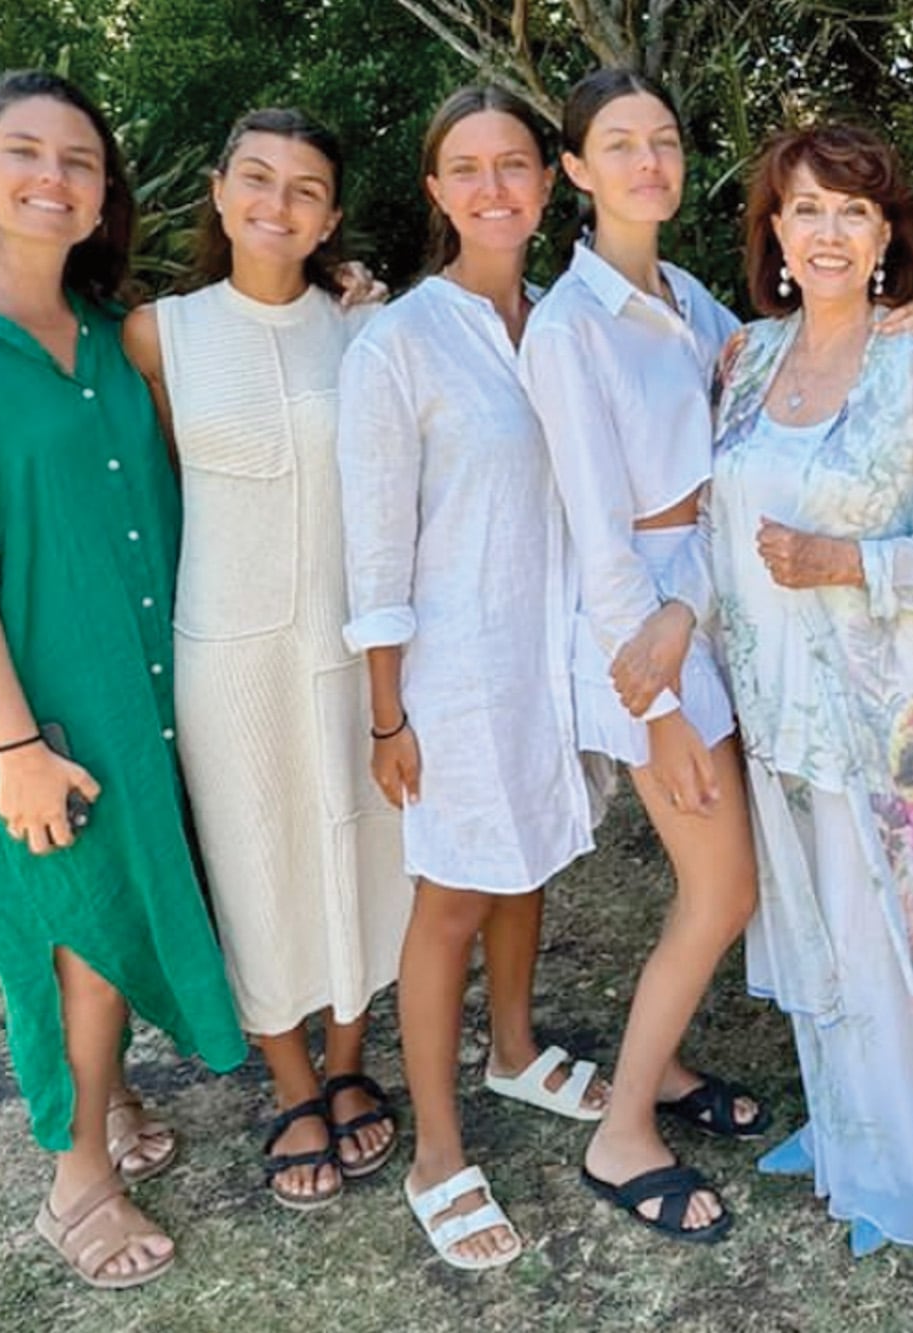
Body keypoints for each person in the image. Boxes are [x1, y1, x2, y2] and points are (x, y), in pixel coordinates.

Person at [0, 70, 247, 1289]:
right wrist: (16, 748)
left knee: (121, 902)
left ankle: (114, 1093)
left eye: (80, 161)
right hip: (26, 702)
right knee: (72, 929)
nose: (53, 178)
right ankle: (79, 1175)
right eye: (24, 153)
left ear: (101, 193)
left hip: (143, 683)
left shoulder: (105, 328)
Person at [705, 122, 913, 1255]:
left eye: (852, 211)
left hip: (881, 720)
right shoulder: (743, 357)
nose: (826, 231)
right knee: (809, 930)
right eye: (805, 209)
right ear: (773, 231)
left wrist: (851, 562)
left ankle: (899, 1172)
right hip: (769, 702)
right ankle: (836, 1130)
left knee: (885, 937)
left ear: (885, 236)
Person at [120, 108, 411, 1213]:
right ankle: (289, 1083)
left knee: (359, 850)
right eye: (256, 179)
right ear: (219, 190)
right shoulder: (163, 333)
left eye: (303, 189)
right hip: (225, 645)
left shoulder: (364, 330)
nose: (276, 204)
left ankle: (347, 1063)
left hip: (348, 642)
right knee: (254, 859)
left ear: (330, 214)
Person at [337, 85, 597, 1271]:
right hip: (445, 672)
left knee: (530, 851)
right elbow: (375, 546)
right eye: (466, 168)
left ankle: (511, 1049)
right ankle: (437, 1148)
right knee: (449, 895)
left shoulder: (564, 320)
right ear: (436, 192)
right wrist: (386, 712)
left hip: (546, 658)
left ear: (548, 183)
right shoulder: (398, 342)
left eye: (515, 166)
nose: (494, 188)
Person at [516, 68, 769, 1245]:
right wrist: (659, 698)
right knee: (721, 890)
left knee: (719, 886)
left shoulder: (686, 295)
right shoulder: (570, 328)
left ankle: (655, 1072)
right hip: (647, 636)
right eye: (618, 145)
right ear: (574, 170)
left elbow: (757, 412)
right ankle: (622, 1130)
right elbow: (597, 526)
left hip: (710, 603)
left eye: (663, 141)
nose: (647, 163)